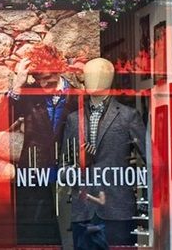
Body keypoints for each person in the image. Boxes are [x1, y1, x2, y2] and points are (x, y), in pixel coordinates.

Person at [62, 58, 147, 249]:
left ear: (109, 78)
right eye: (89, 75)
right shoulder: (74, 119)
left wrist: (149, 205)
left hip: (117, 209)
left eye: (99, 74)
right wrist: (79, 165)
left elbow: (149, 161)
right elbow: (63, 168)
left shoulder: (128, 116)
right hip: (83, 212)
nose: (93, 79)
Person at [8, 43, 77, 245]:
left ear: (59, 69)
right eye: (39, 79)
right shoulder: (27, 94)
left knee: (68, 233)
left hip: (67, 173)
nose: (44, 83)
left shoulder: (78, 96)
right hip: (33, 172)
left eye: (47, 77)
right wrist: (17, 85)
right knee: (33, 234)